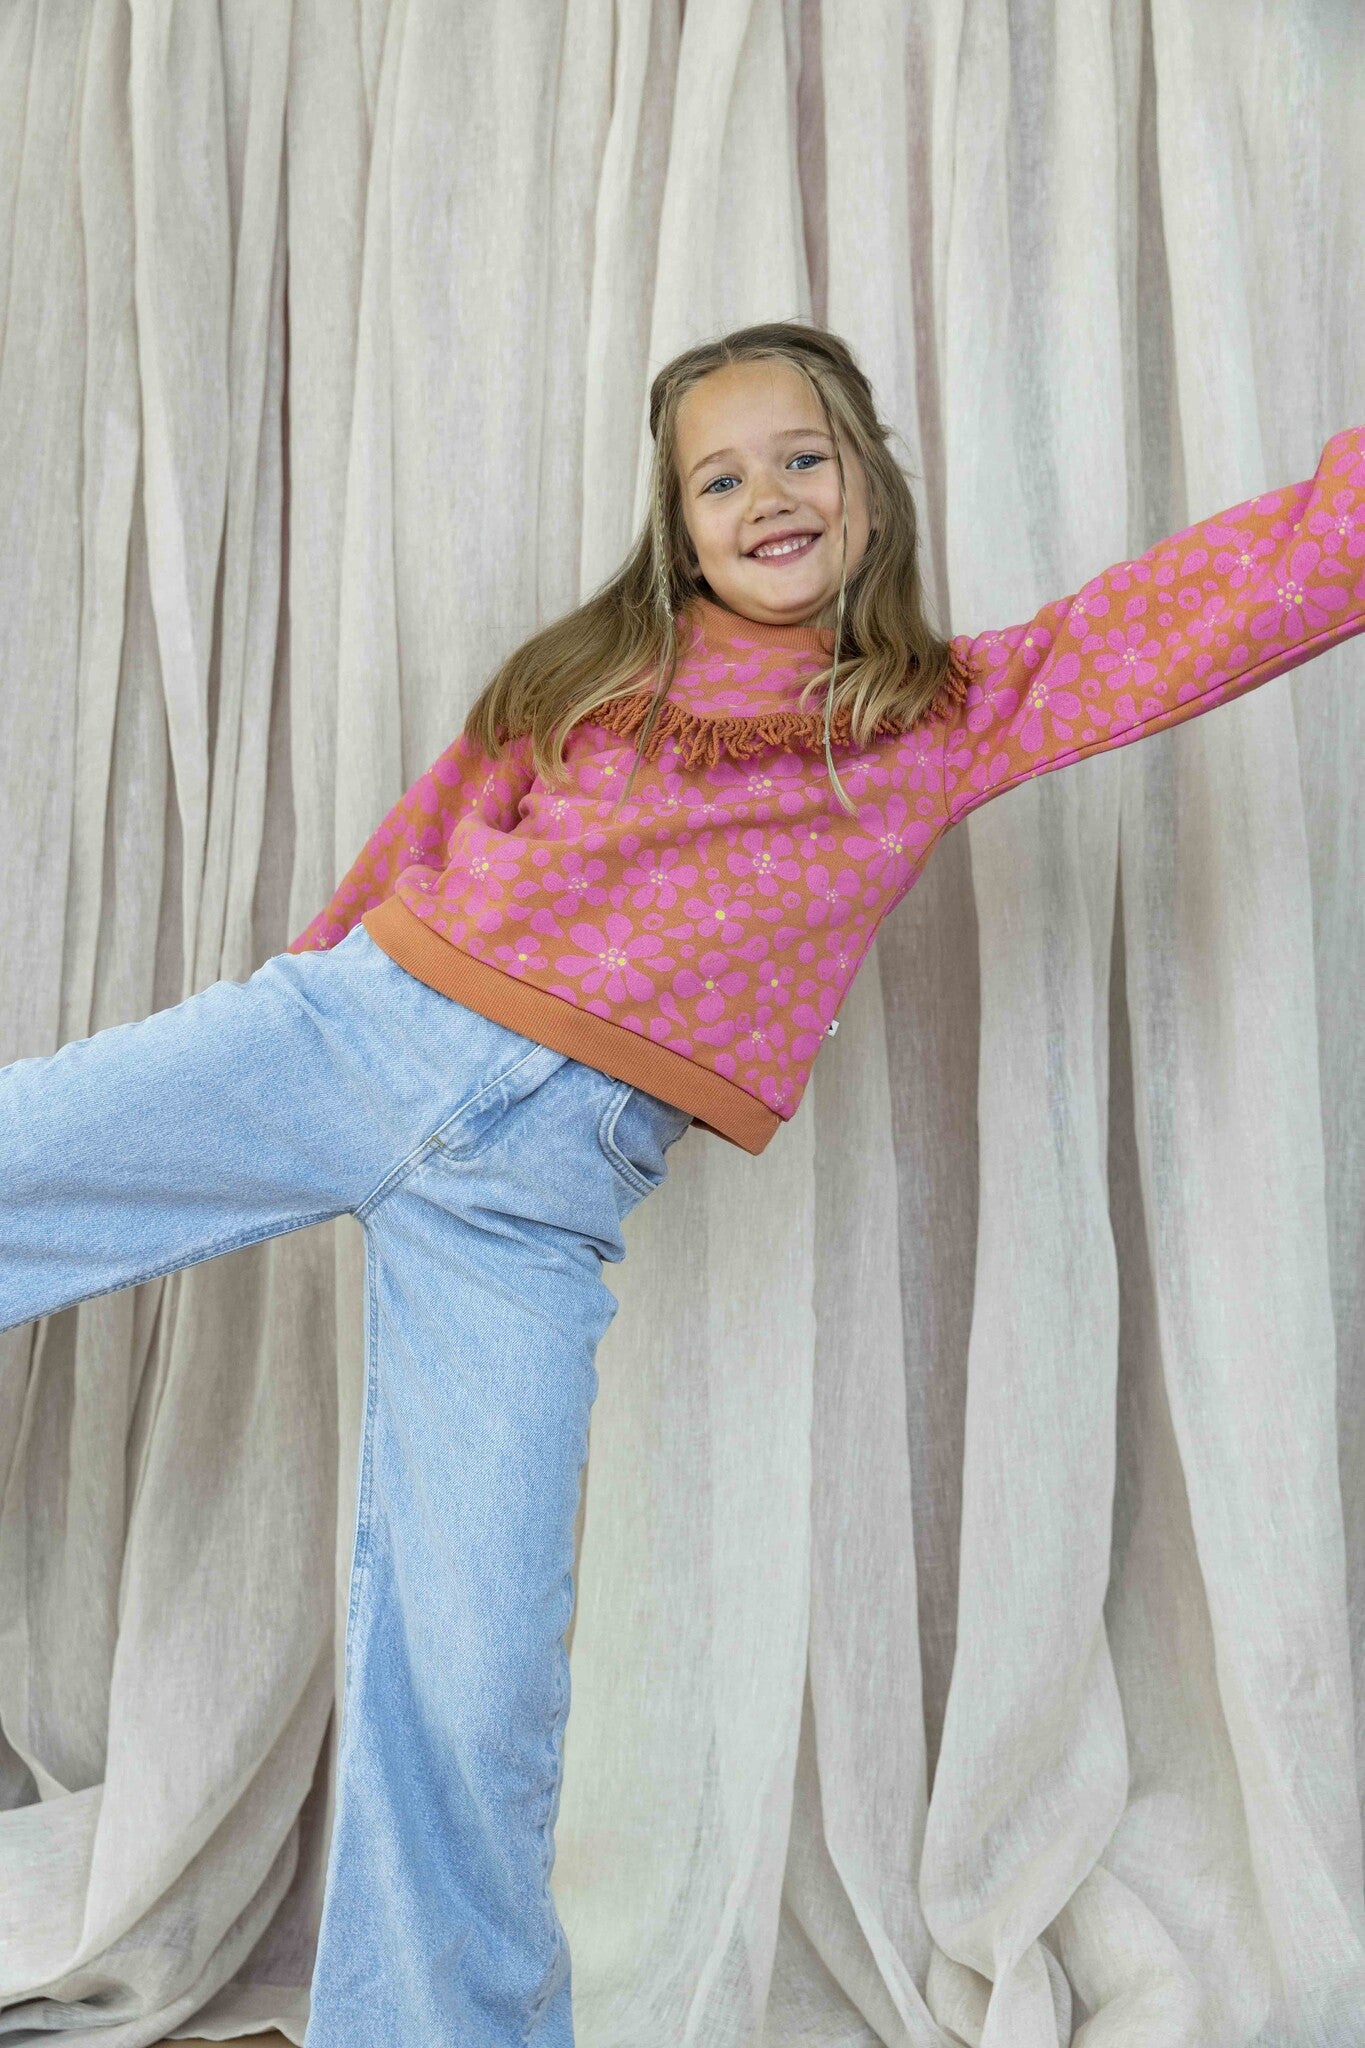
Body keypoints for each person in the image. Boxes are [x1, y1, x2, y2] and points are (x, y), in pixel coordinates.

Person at [1, 319, 1361, 2046]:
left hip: (535, 1205)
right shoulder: (580, 679)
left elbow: (1216, 599)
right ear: (677, 521)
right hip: (353, 1043)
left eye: (802, 457)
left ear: (869, 489)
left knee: (474, 1670)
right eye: (720, 477)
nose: (766, 496)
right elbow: (416, 850)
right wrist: (308, 1002)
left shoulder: (937, 720)